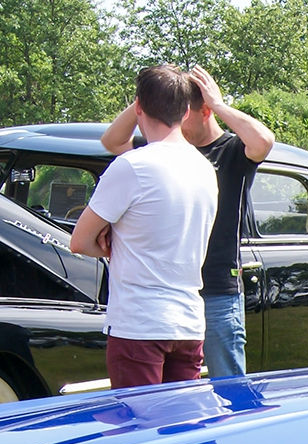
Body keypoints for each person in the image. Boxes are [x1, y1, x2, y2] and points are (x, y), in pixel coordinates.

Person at [102, 65, 274, 379]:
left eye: (184, 111)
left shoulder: (232, 151)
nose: (176, 119)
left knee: (229, 387)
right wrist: (150, 97)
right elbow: (113, 142)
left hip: (217, 290)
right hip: (169, 297)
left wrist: (220, 104)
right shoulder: (162, 150)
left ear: (205, 111)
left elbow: (262, 141)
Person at [71, 65, 217, 389]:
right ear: (186, 110)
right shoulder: (205, 169)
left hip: (138, 324)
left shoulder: (131, 166)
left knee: (138, 430)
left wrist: (110, 245)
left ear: (138, 107)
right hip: (189, 323)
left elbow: (79, 242)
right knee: (184, 428)